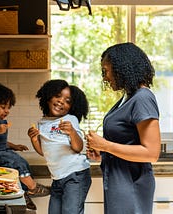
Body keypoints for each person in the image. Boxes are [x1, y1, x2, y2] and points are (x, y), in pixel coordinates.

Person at [86, 42, 161, 214]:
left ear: (122, 68)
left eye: (106, 71)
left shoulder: (142, 98)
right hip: (118, 183)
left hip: (131, 185)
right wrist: (103, 153)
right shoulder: (127, 97)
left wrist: (105, 146)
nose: (105, 77)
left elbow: (152, 153)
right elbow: (126, 143)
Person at [0, 82, 50, 210]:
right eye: (3, 107)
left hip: (0, 152)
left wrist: (14, 146)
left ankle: (25, 191)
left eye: (8, 107)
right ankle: (32, 187)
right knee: (16, 163)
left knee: (22, 162)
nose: (7, 111)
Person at [27, 79, 91, 214]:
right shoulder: (42, 122)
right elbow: (43, 151)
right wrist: (34, 139)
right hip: (57, 178)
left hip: (75, 175)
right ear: (48, 97)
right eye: (57, 96)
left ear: (72, 106)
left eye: (68, 101)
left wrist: (72, 132)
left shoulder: (70, 120)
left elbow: (78, 147)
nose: (61, 101)